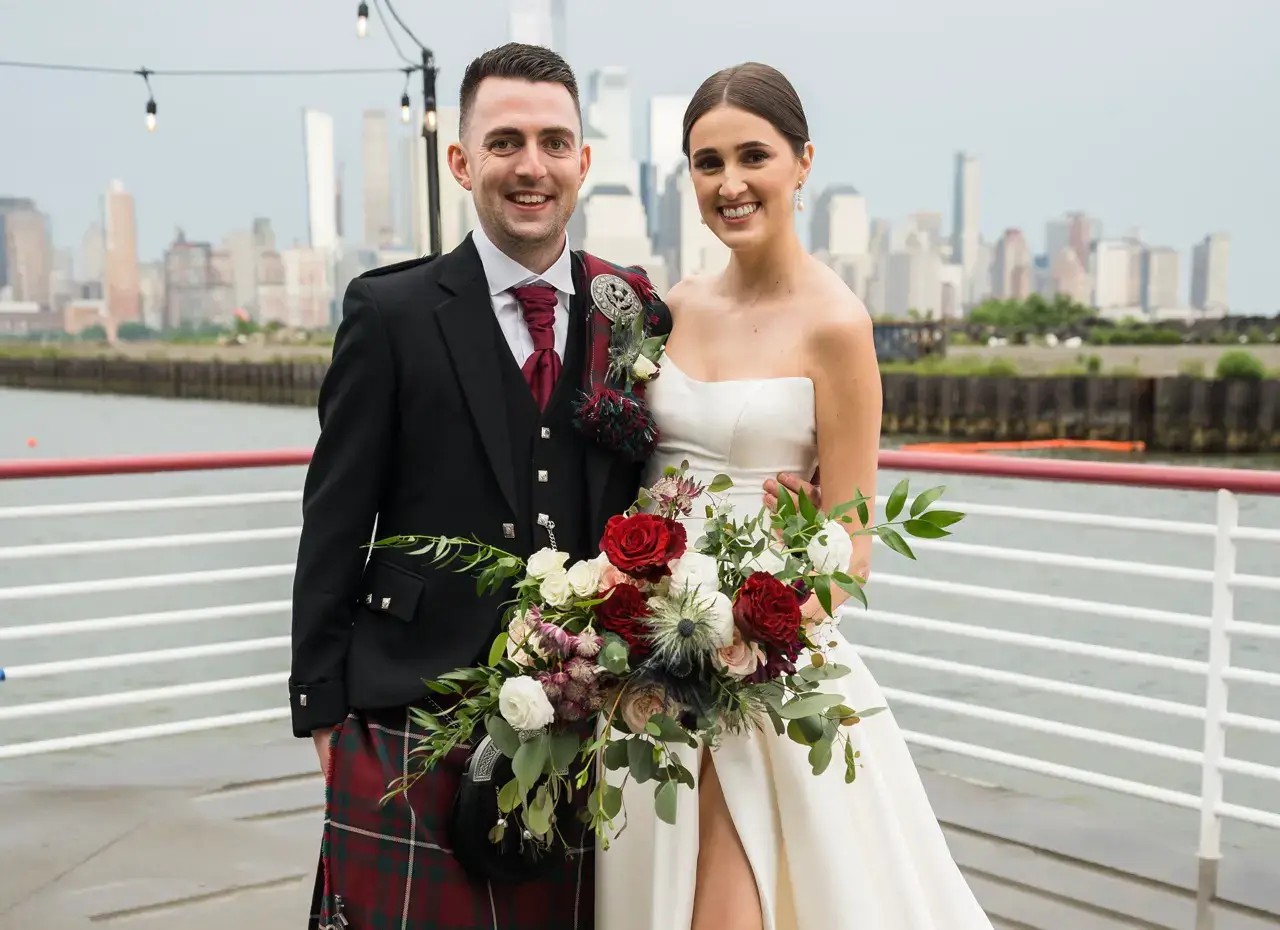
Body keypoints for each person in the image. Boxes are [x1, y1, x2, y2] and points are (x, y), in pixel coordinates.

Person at [595, 63, 995, 930]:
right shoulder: (672, 308)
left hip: (760, 665)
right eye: (708, 164)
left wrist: (751, 637)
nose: (730, 184)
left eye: (753, 157)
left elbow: (851, 547)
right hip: (646, 653)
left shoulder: (838, 326)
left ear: (802, 162)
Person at [289, 43, 677, 930]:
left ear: (585, 161)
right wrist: (322, 710)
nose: (530, 166)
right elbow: (335, 515)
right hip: (408, 714)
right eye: (504, 142)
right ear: (462, 162)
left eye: (553, 141)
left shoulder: (635, 313)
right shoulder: (388, 314)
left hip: (583, 718)